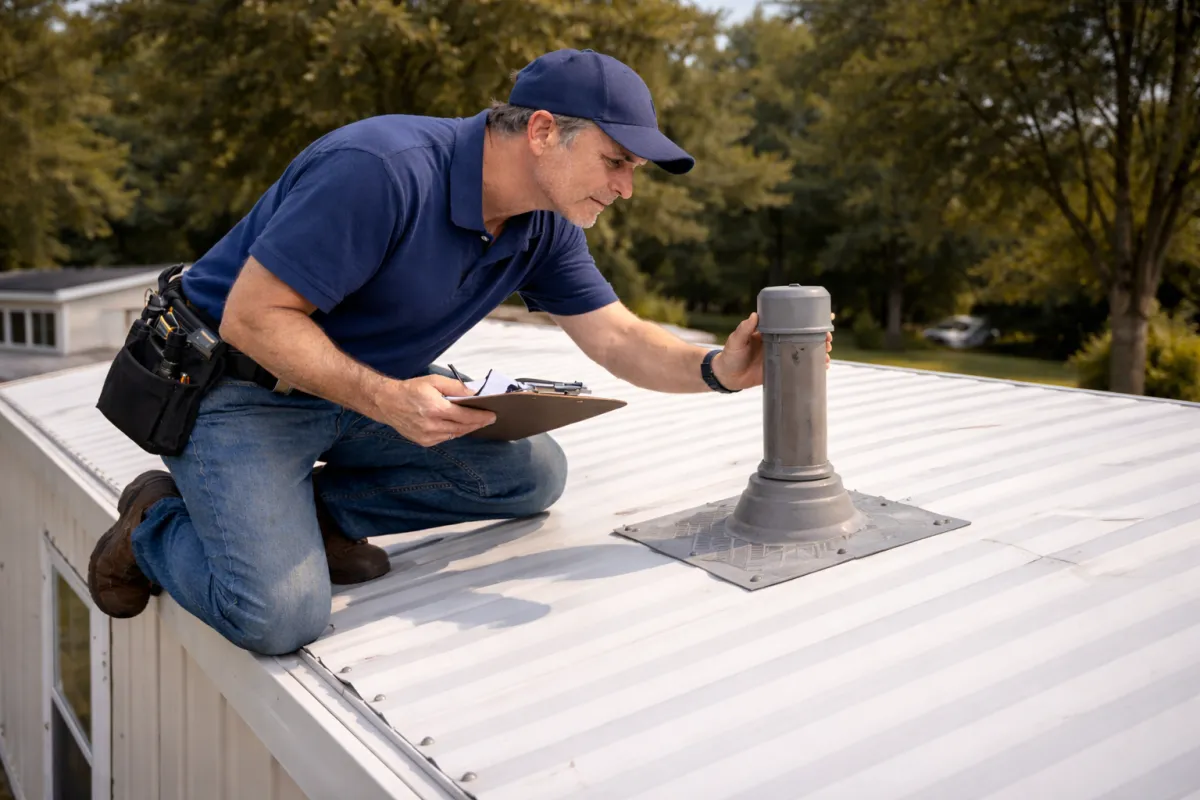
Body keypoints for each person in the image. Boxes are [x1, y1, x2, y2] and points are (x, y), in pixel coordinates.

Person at [87, 48, 832, 656]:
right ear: (543, 130)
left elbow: (617, 335)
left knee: (530, 475)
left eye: (633, 170)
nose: (626, 188)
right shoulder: (379, 170)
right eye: (616, 161)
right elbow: (254, 318)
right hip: (237, 389)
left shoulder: (542, 224)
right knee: (280, 618)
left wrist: (718, 371)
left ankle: (308, 517)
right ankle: (154, 523)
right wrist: (386, 399)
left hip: (362, 390)